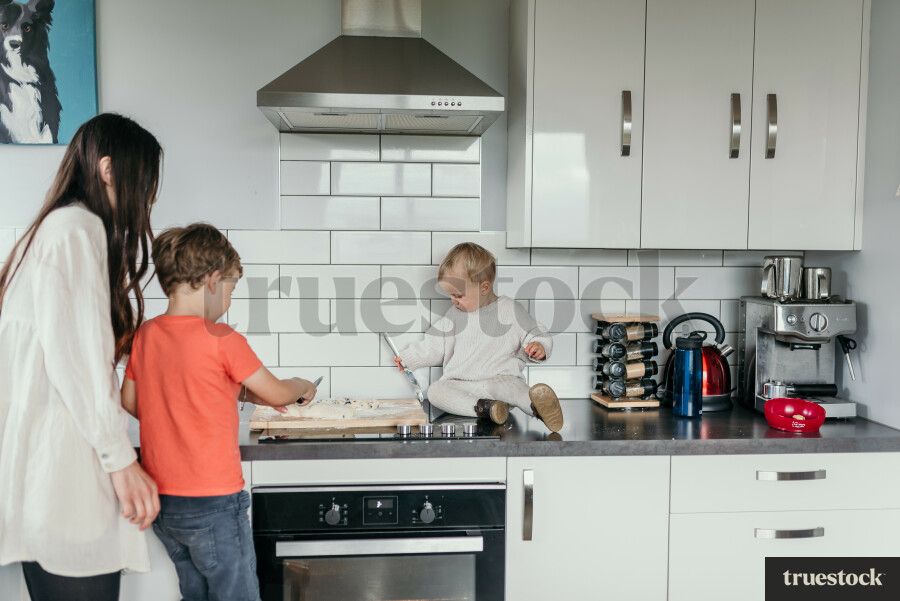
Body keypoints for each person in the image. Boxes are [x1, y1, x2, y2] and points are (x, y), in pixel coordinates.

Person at [0, 113, 163, 600]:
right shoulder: (76, 229)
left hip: (44, 474)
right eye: (146, 181)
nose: (150, 198)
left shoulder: (50, 230)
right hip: (64, 474)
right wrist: (121, 461)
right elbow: (80, 361)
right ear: (109, 169)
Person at [121, 223, 317, 601]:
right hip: (213, 501)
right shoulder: (223, 338)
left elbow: (129, 400)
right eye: (231, 288)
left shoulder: (146, 334)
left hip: (165, 503)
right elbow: (276, 390)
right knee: (236, 593)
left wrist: (177, 415)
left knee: (195, 592)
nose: (229, 298)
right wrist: (301, 385)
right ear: (213, 280)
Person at [395, 242, 564, 431]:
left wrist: (539, 346)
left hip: (500, 381)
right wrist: (408, 359)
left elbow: (536, 331)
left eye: (458, 295)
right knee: (435, 391)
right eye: (450, 295)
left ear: (484, 288)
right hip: (461, 385)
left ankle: (537, 406)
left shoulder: (510, 310)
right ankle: (487, 409)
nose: (453, 301)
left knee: (514, 388)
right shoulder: (454, 315)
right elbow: (434, 345)